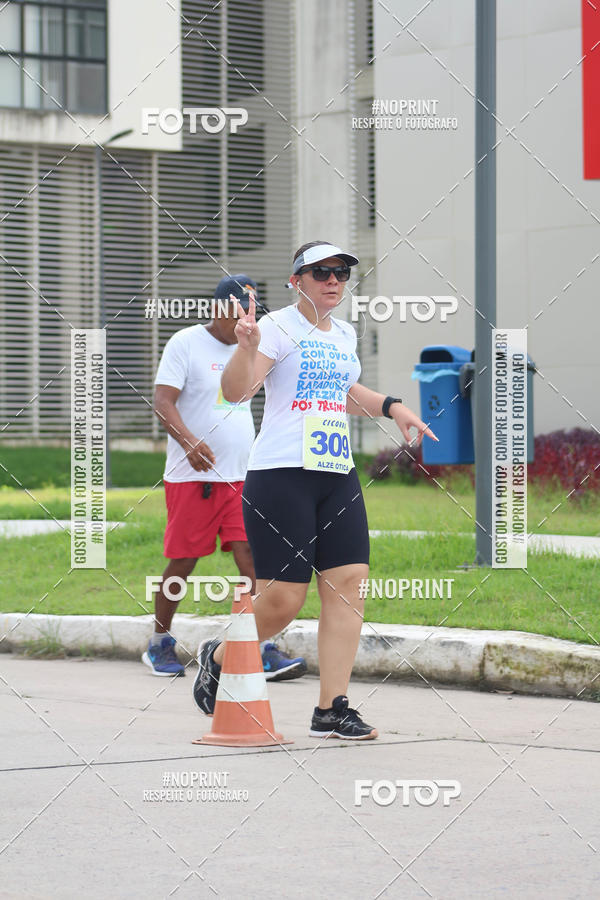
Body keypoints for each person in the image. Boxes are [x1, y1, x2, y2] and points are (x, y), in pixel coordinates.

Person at [193, 242, 438, 739]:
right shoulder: (276, 328)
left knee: (349, 587)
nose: (333, 280)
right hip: (282, 474)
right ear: (296, 280)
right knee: (283, 600)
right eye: (321, 271)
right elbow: (237, 392)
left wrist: (392, 406)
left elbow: (342, 390)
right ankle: (217, 654)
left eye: (341, 273)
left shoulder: (344, 333)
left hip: (336, 473)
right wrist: (245, 346)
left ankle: (332, 708)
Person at [142, 273, 307, 683]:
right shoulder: (185, 343)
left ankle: (257, 645)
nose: (245, 323)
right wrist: (189, 442)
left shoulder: (254, 347)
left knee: (251, 554)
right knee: (184, 557)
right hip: (191, 477)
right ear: (218, 310)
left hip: (243, 475)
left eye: (251, 314)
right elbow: (163, 402)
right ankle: (160, 640)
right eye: (238, 314)